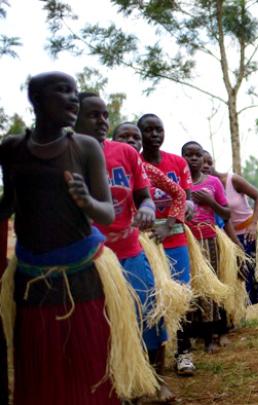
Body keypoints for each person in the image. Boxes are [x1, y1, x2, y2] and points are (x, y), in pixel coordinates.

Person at [0, 72, 153, 404]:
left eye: (74, 92)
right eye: (62, 91)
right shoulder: (12, 148)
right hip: (32, 276)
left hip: (83, 271)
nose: (72, 98)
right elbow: (9, 205)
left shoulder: (84, 148)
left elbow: (106, 215)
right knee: (40, 363)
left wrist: (86, 201)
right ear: (36, 99)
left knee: (90, 360)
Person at [75, 93, 175, 402]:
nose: (102, 121)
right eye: (93, 115)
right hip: (91, 258)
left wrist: (146, 208)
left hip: (129, 250)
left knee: (148, 313)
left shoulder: (125, 154)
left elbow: (143, 195)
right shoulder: (68, 155)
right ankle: (113, 384)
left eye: (105, 115)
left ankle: (153, 379)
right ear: (74, 118)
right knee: (103, 324)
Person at [138, 113, 198, 376]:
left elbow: (187, 197)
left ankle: (184, 352)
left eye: (158, 129)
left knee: (181, 294)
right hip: (146, 243)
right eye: (148, 130)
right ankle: (151, 355)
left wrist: (185, 210)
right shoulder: (134, 163)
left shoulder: (177, 162)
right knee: (151, 297)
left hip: (175, 238)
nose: (154, 134)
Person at [204, 152, 258, 306]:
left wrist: (254, 223)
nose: (205, 166)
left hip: (249, 232)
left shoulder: (232, 180)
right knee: (236, 274)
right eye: (202, 163)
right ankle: (237, 312)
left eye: (208, 162)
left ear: (213, 162)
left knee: (254, 272)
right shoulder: (204, 187)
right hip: (228, 236)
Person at [182, 141, 232, 353]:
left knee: (209, 287)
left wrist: (210, 202)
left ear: (204, 159)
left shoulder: (213, 183)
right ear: (181, 157)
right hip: (184, 241)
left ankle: (211, 336)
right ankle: (193, 333)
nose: (193, 158)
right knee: (189, 287)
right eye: (188, 154)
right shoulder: (178, 182)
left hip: (208, 238)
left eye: (197, 155)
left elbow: (227, 214)